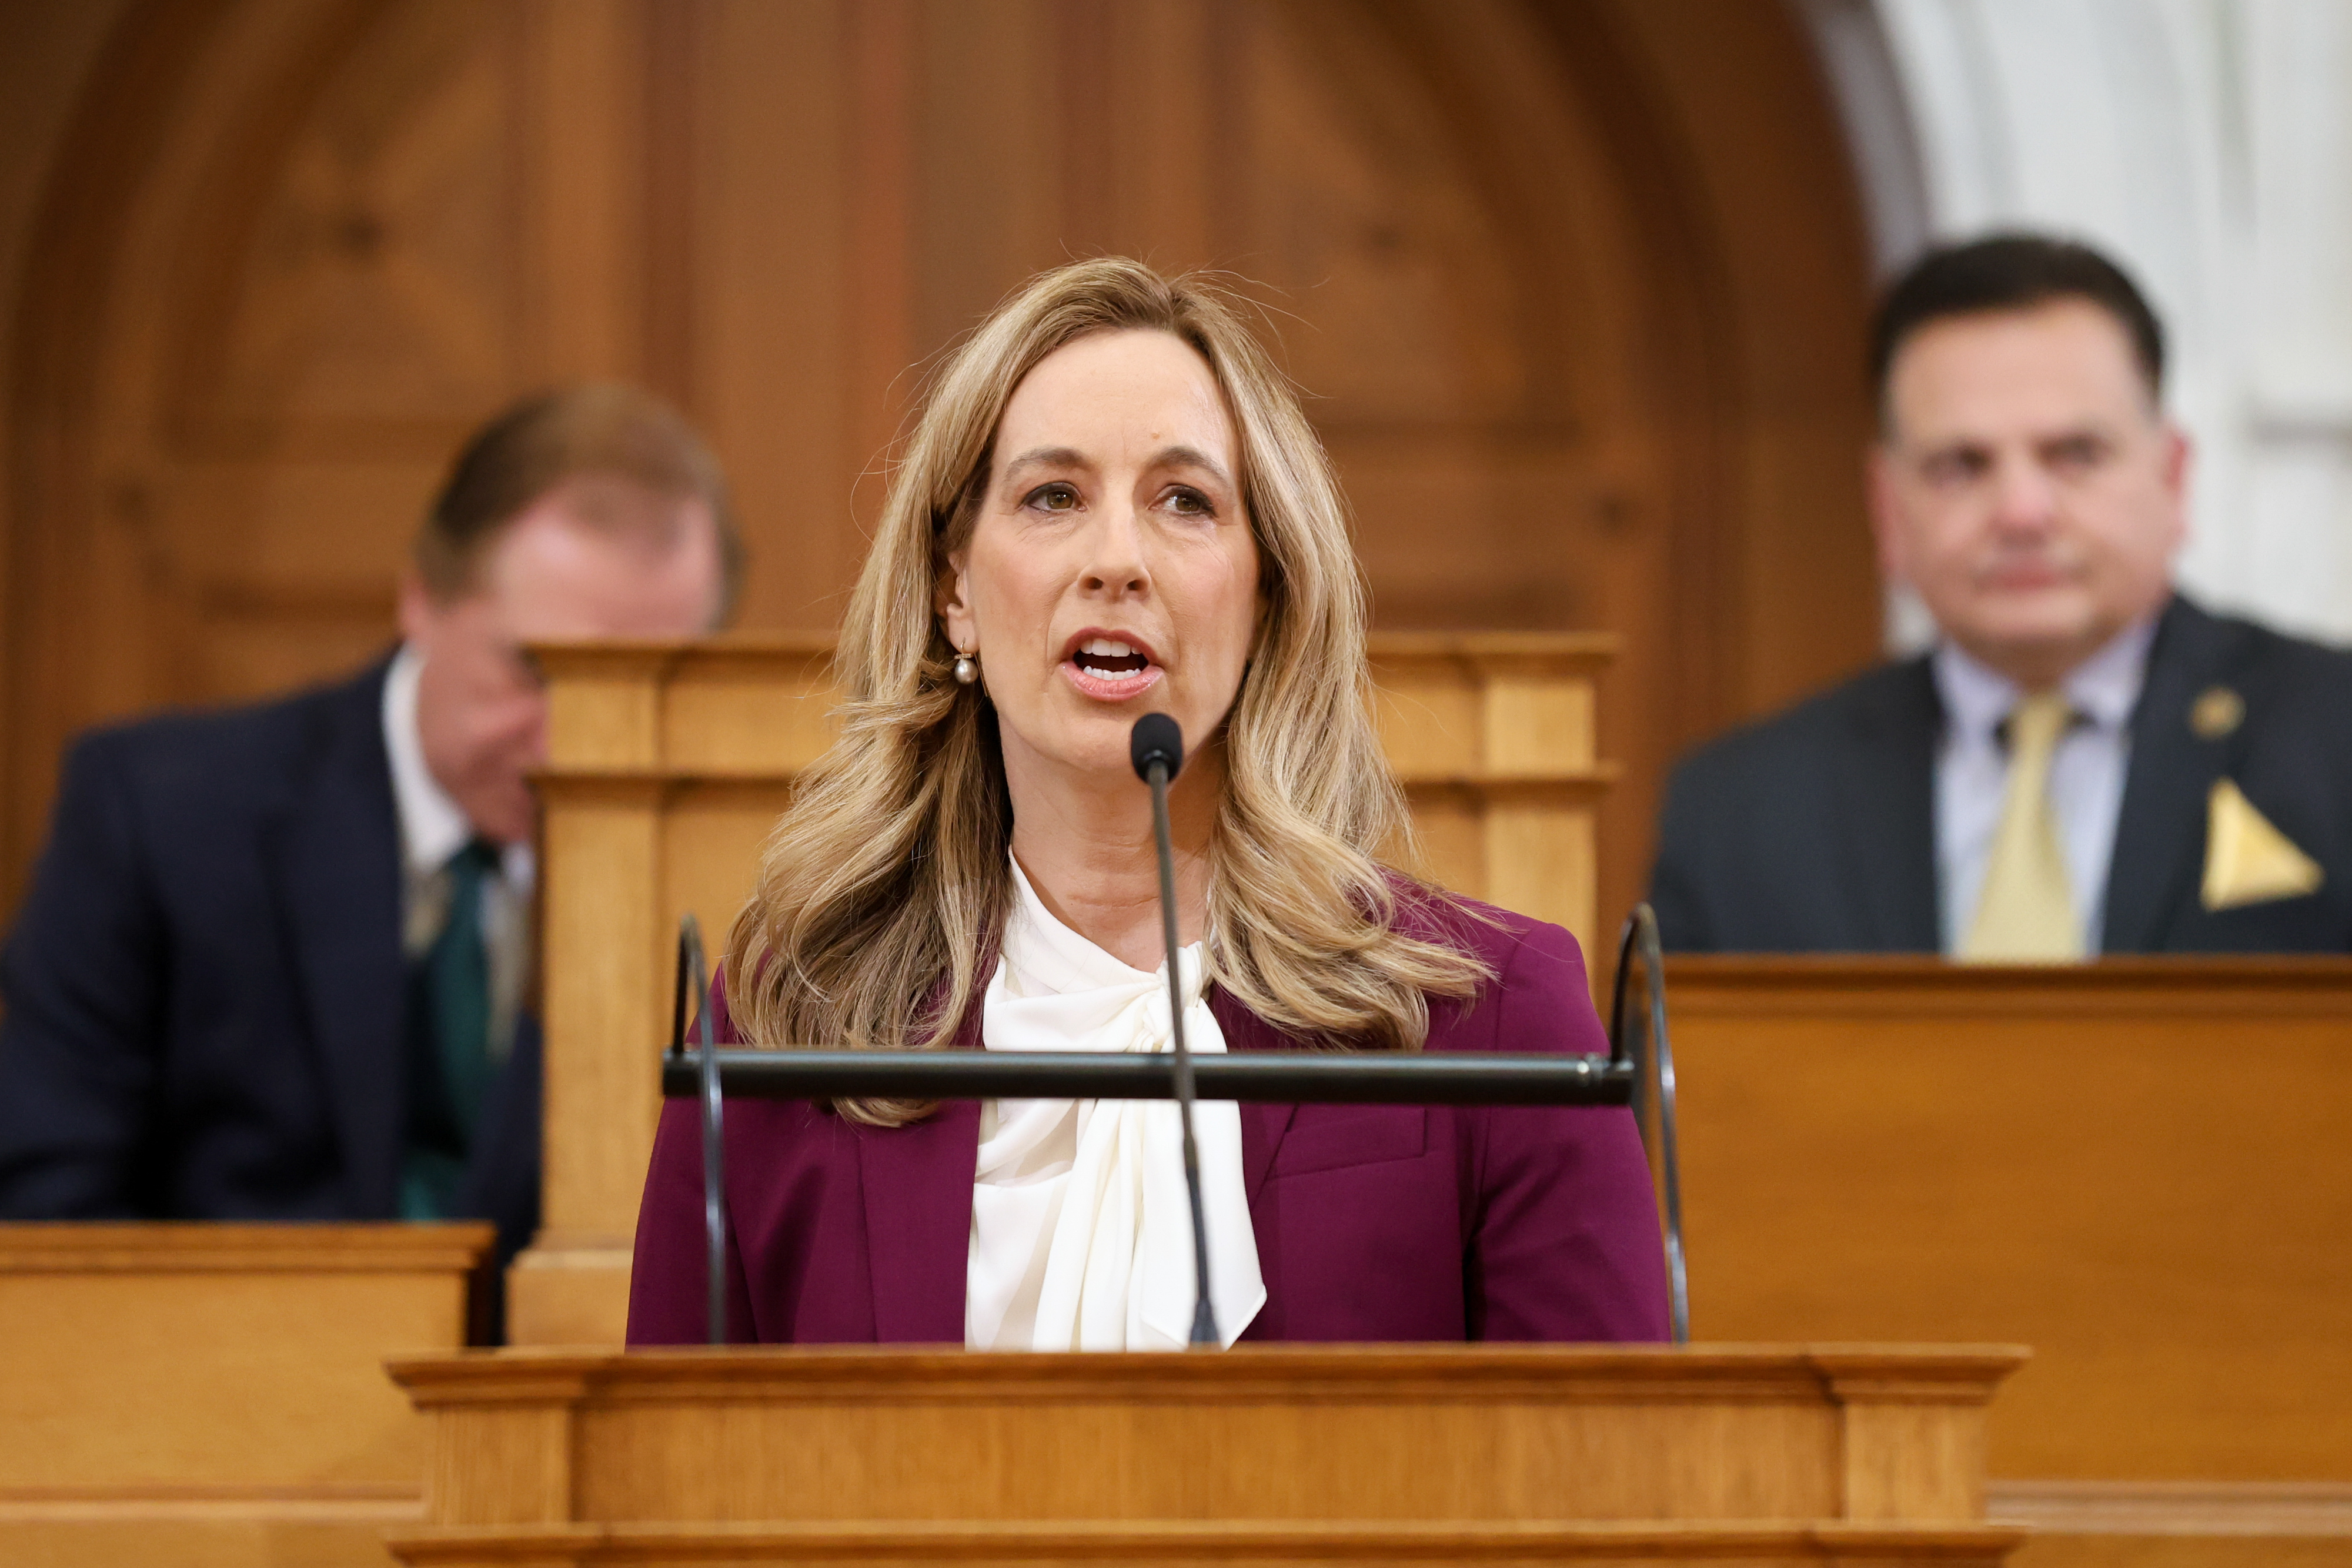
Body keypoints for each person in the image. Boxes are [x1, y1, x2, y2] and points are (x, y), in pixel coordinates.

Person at [628, 259, 1669, 1348]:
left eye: (1185, 500)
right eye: (1052, 497)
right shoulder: (786, 1030)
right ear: (956, 595)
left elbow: (1607, 1486)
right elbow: (674, 1489)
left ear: (1268, 590)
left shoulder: (1493, 1020)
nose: (1116, 559)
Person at [0, 385, 737, 1268]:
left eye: (642, 684)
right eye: (536, 671)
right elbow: (44, 1204)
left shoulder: (724, 875)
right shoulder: (160, 813)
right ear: (420, 597)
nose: (573, 740)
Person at [1651, 235, 2352, 957]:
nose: (2020, 512)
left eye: (2075, 455)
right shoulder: (1741, 811)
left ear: (2171, 479)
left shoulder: (2333, 735)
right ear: (1887, 510)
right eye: (1960, 465)